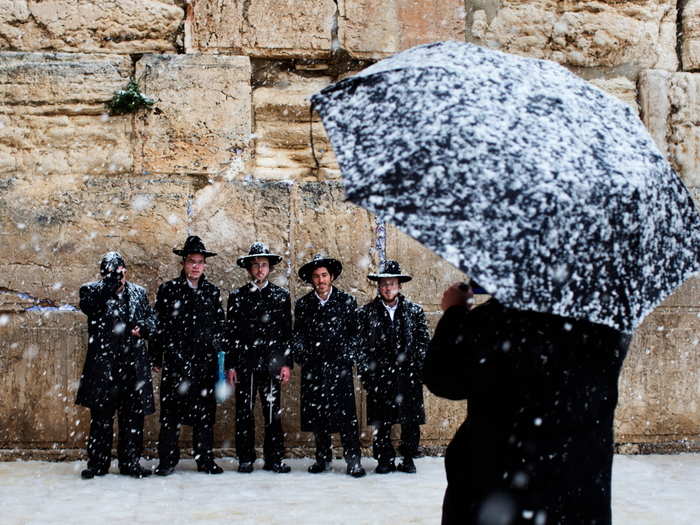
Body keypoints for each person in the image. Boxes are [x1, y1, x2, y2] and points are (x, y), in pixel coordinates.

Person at [424, 281, 631, 525]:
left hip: (500, 488)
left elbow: (443, 378)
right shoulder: (606, 317)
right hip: (577, 491)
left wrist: (455, 312)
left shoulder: (500, 318)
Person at [76, 251, 156, 479]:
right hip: (104, 366)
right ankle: (97, 463)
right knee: (101, 418)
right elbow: (89, 306)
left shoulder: (138, 293)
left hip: (132, 365)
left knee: (133, 417)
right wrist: (107, 286)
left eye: (119, 273)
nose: (116, 278)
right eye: (110, 274)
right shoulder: (91, 290)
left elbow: (151, 317)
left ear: (125, 271)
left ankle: (130, 462)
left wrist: (144, 327)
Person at [152, 236, 226, 476]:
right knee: (170, 415)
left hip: (204, 363)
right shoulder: (168, 290)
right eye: (192, 261)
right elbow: (158, 325)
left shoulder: (212, 292)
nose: (196, 266)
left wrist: (219, 357)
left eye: (200, 262)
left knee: (204, 416)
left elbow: (219, 328)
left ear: (205, 265)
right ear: (183, 263)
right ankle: (167, 461)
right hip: (176, 362)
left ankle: (204, 459)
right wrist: (156, 356)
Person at [292, 254, 366, 478]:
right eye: (316, 276)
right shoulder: (304, 304)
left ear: (331, 277)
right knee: (318, 415)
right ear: (311, 280)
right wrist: (303, 355)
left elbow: (356, 335)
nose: (321, 280)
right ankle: (322, 458)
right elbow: (298, 335)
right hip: (314, 368)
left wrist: (346, 355)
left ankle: (353, 460)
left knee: (346, 416)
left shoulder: (346, 301)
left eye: (324, 275)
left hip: (339, 368)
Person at [225, 242, 293, 474]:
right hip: (245, 363)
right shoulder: (238, 297)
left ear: (270, 268)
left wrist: (286, 363)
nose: (260, 270)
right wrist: (231, 365)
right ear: (249, 269)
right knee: (244, 412)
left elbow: (286, 333)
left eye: (264, 265)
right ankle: (246, 457)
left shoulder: (281, 296)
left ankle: (274, 458)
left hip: (272, 364)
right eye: (255, 265)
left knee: (273, 412)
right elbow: (231, 334)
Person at [358, 260, 429, 474]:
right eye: (384, 284)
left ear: (399, 285)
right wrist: (367, 373)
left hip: (407, 375)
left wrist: (417, 367)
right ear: (379, 287)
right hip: (379, 374)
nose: (388, 288)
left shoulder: (414, 312)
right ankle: (384, 459)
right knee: (381, 420)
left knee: (410, 420)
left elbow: (423, 342)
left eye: (392, 283)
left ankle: (408, 458)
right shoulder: (367, 313)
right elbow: (361, 346)